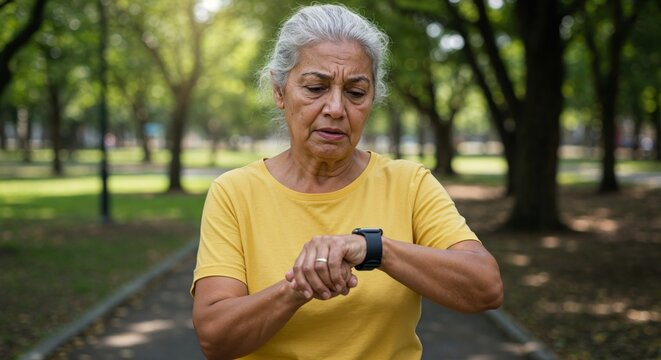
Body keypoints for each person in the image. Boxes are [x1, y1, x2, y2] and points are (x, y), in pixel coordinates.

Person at [191, 4, 503, 359]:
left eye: (355, 92)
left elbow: (485, 287)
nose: (336, 108)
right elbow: (215, 337)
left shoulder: (409, 184)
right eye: (315, 88)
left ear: (372, 99)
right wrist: (298, 287)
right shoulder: (235, 193)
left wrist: (375, 249)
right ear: (280, 91)